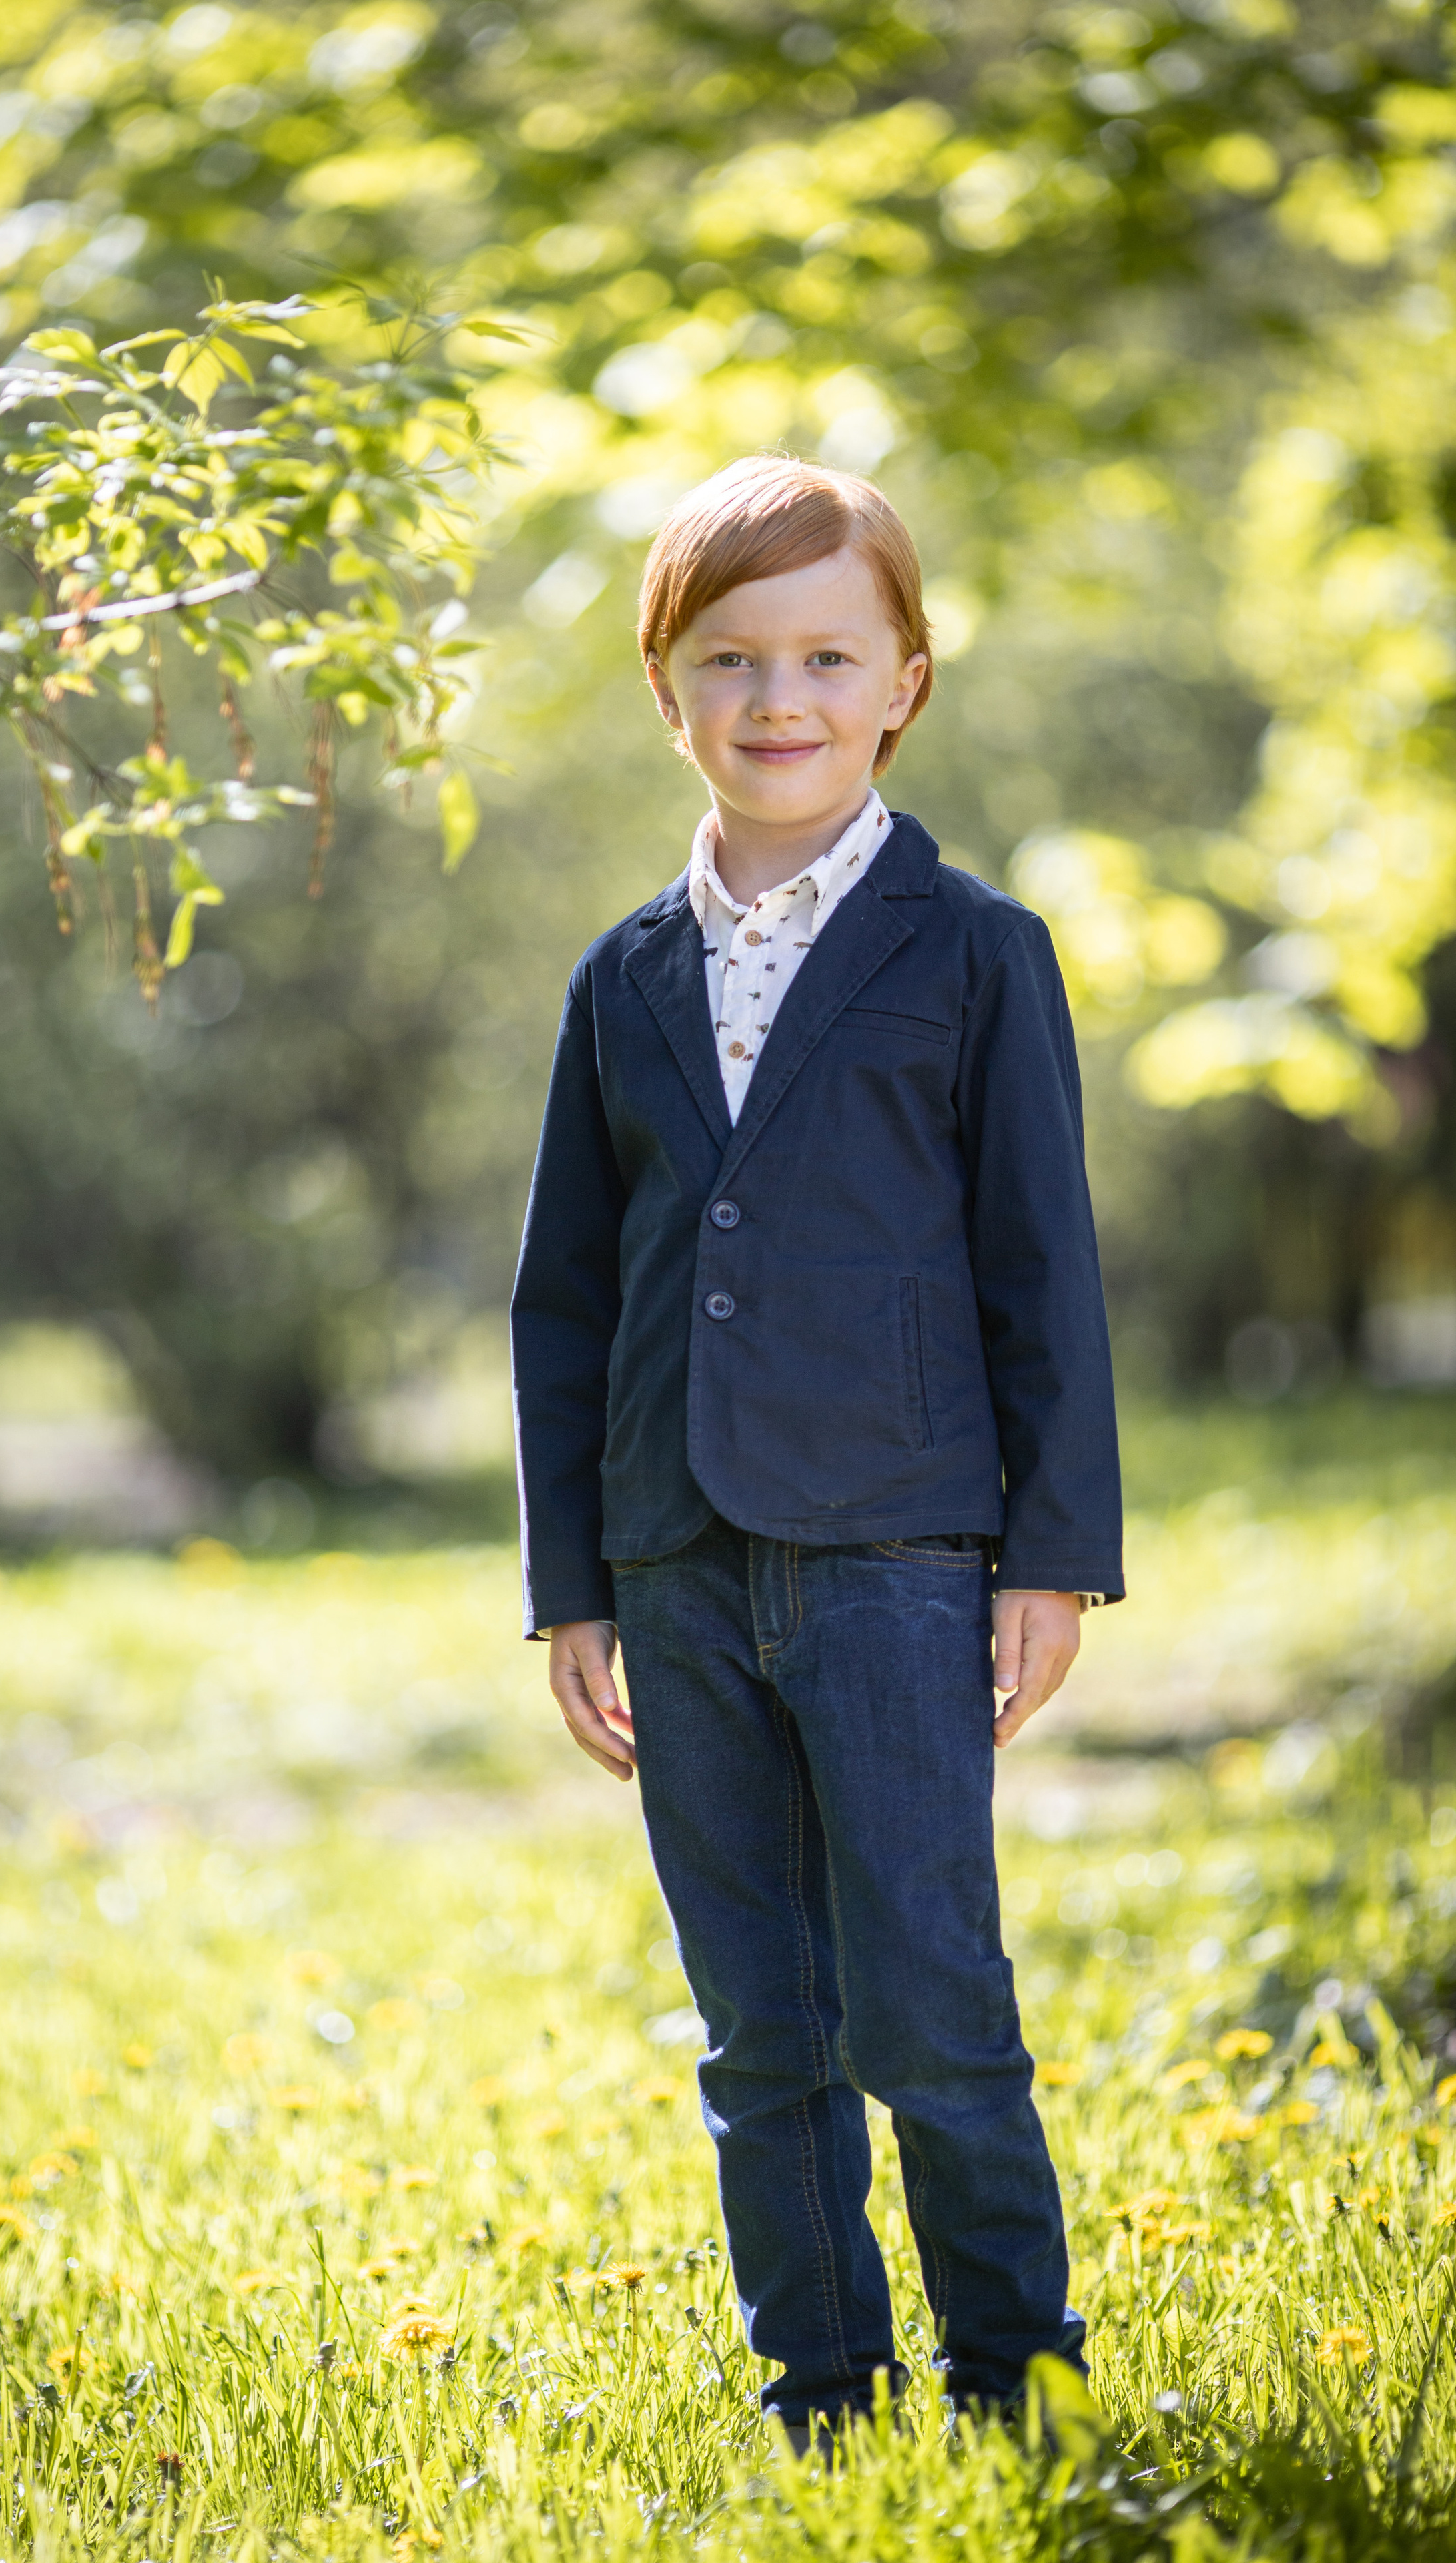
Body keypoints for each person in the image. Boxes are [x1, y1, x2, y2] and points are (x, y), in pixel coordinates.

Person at [509, 454, 1123, 2446]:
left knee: (932, 2006)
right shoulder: (620, 983)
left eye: (824, 656)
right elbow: (564, 1303)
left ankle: (1016, 2386)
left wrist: (1053, 1555)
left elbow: (1045, 1269)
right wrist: (572, 1585)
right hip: (677, 1563)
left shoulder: (976, 952)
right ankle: (822, 2397)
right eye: (732, 659)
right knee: (764, 2025)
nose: (779, 696)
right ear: (668, 688)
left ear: (904, 686)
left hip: (901, 1558)